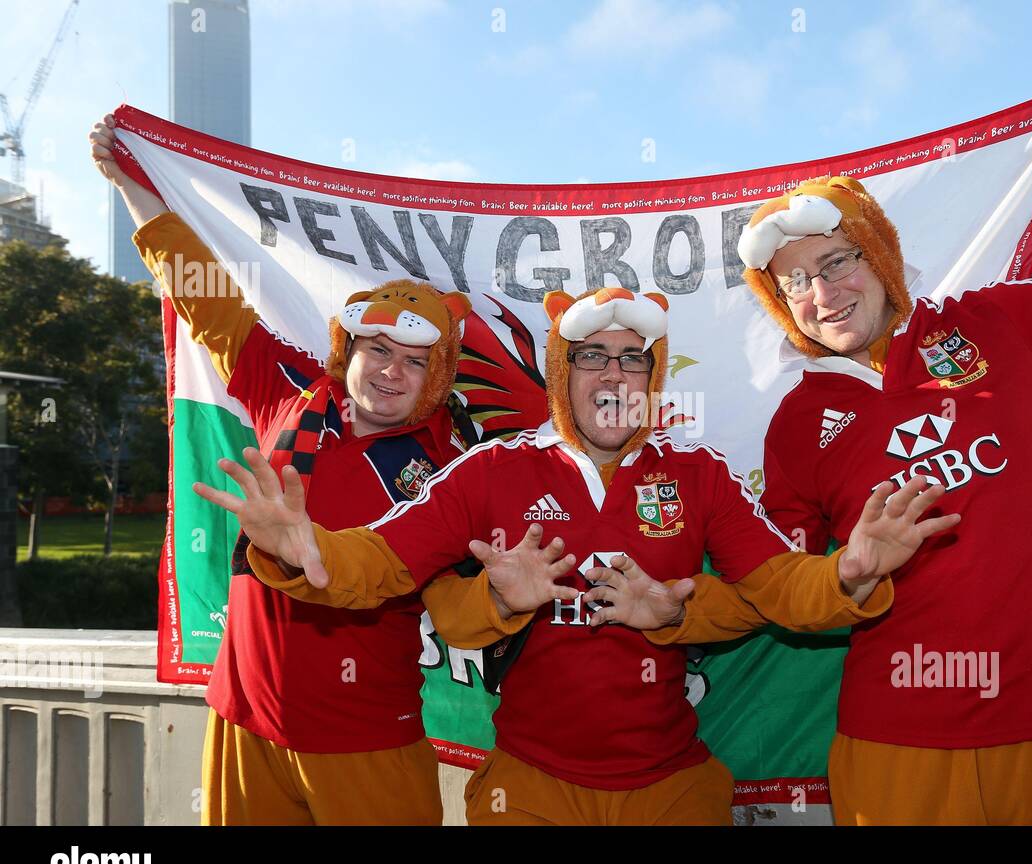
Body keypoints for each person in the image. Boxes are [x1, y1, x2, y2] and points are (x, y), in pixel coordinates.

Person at [197, 285, 960, 825]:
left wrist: (847, 574)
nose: (614, 374)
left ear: (653, 379)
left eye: (633, 359)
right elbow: (386, 566)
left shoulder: (697, 474)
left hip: (672, 787)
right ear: (564, 373)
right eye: (593, 355)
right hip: (528, 787)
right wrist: (309, 551)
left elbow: (781, 587)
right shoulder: (488, 470)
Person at [734, 43, 1032, 824]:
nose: (820, 292)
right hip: (898, 749)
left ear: (883, 257)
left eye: (836, 262)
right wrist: (850, 574)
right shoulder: (795, 426)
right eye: (794, 279)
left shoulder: (1001, 321)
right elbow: (772, 590)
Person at [90, 113, 474, 825]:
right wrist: (134, 185)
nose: (391, 372)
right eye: (377, 349)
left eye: (415, 361)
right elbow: (203, 297)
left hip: (364, 744)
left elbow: (461, 607)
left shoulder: (451, 472)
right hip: (242, 721)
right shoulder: (290, 393)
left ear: (438, 376)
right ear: (347, 350)